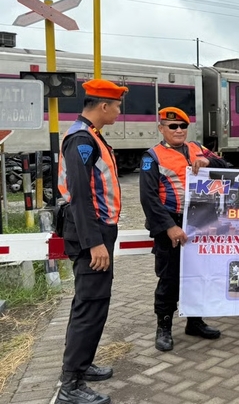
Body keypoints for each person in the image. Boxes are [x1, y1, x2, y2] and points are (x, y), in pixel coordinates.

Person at [56, 79, 129, 404]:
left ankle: (81, 366)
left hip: (97, 231)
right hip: (91, 234)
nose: (118, 112)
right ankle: (70, 385)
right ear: (103, 106)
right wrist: (94, 243)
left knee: (91, 303)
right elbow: (80, 196)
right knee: (90, 306)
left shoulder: (91, 136)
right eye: (117, 106)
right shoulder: (82, 140)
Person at [139, 107, 228, 351]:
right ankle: (164, 327)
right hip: (170, 223)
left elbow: (224, 164)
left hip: (199, 222)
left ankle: (195, 322)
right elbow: (148, 198)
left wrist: (208, 161)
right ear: (161, 129)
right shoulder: (152, 157)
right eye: (172, 126)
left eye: (183, 126)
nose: (178, 130)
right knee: (169, 277)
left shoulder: (197, 148)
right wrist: (169, 227)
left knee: (198, 274)